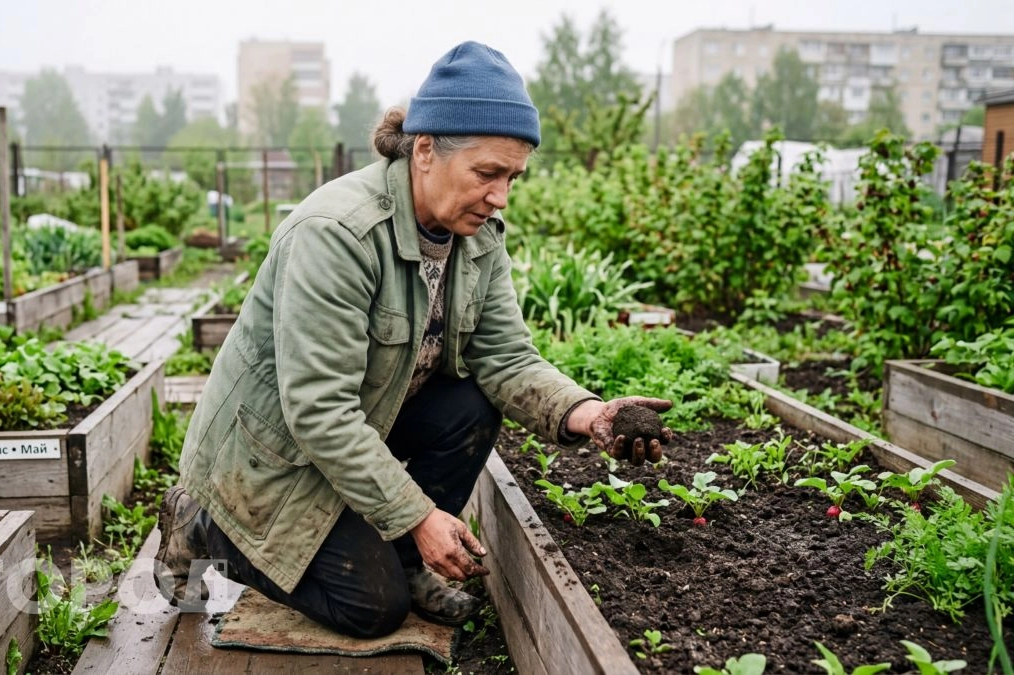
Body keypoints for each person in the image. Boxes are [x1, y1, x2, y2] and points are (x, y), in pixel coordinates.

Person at [154, 40, 674, 639]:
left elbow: (505, 357)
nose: (501, 196)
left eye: (512, 177)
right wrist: (421, 515)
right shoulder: (338, 234)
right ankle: (206, 523)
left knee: (472, 403)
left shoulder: (477, 236)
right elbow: (319, 411)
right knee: (371, 610)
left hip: (363, 424)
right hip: (274, 457)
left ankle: (406, 561)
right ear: (424, 150)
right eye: (487, 173)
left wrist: (589, 414)